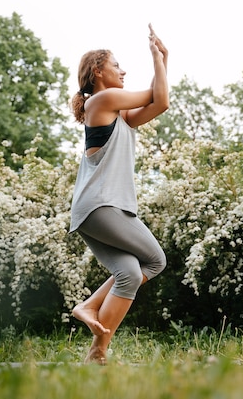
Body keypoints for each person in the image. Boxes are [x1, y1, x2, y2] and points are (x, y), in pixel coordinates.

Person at [68, 24, 169, 365]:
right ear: (98, 72)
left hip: (100, 209)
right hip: (102, 206)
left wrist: (164, 60)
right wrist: (154, 57)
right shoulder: (103, 100)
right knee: (155, 261)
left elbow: (159, 104)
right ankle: (89, 307)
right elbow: (161, 98)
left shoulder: (119, 113)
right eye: (117, 65)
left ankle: (97, 353)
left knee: (128, 273)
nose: (123, 71)